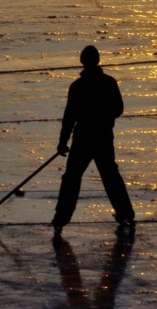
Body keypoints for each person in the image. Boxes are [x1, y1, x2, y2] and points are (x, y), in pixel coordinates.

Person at [52, 45, 135, 237]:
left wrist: (63, 141)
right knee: (110, 176)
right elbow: (118, 109)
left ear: (83, 62)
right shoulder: (108, 83)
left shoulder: (77, 86)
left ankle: (60, 219)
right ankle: (125, 214)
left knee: (72, 178)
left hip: (83, 138)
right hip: (103, 137)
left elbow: (69, 117)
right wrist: (104, 118)